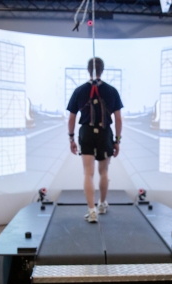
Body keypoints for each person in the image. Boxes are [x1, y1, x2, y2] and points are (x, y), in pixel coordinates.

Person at [67, 57, 123, 223]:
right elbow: (118, 119)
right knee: (104, 172)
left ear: (87, 70)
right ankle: (102, 204)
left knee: (88, 173)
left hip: (86, 133)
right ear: (102, 70)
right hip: (105, 133)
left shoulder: (79, 91)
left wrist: (71, 138)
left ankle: (91, 212)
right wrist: (117, 140)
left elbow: (71, 119)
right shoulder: (112, 91)